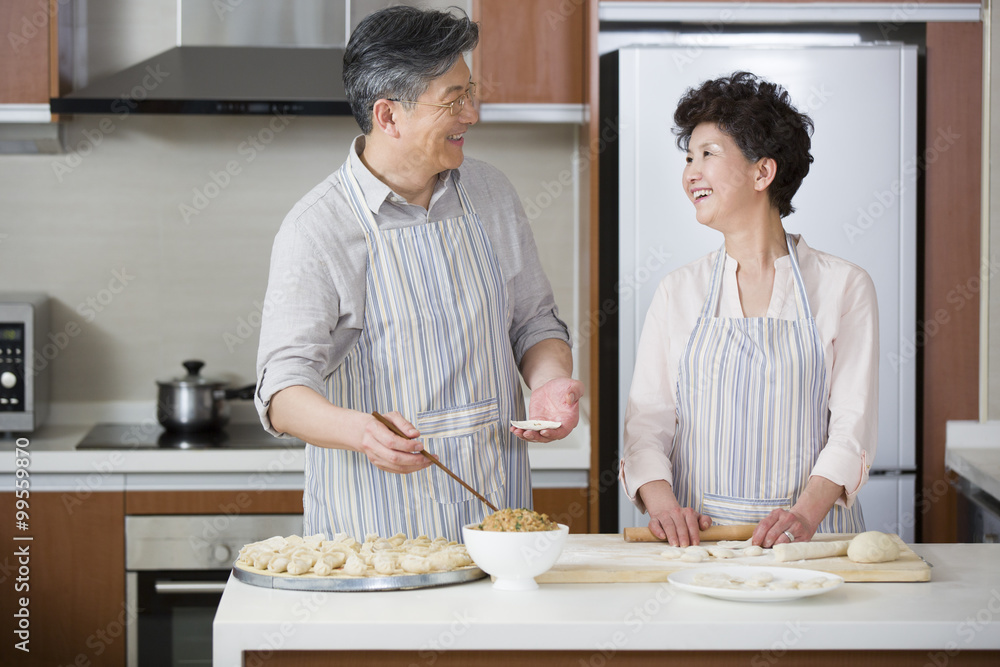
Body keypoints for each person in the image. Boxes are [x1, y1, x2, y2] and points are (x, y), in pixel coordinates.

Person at [254, 6, 582, 543]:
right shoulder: (316, 229)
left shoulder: (491, 193)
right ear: (389, 116)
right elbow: (282, 391)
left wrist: (548, 385)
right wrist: (362, 432)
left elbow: (536, 323)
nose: (472, 113)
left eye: (470, 92)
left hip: (497, 524)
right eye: (453, 100)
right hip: (377, 538)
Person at [619, 72, 878, 548]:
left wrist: (802, 516)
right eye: (689, 158)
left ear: (763, 172)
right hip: (701, 547)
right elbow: (647, 426)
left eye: (708, 155)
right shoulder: (678, 291)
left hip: (812, 545)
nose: (691, 173)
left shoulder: (844, 286)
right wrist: (663, 508)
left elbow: (852, 425)